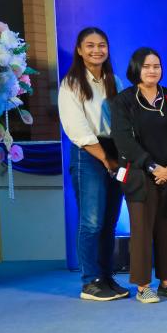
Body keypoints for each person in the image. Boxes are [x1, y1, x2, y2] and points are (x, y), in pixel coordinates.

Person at [110, 48, 167, 304]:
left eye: (156, 66)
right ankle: (143, 286)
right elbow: (124, 141)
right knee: (142, 231)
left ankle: (166, 282)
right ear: (136, 69)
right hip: (139, 175)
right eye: (146, 66)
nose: (152, 70)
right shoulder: (124, 101)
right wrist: (153, 167)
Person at [58, 27, 128, 301]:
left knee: (110, 222)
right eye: (90, 45)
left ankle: (106, 277)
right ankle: (90, 281)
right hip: (88, 153)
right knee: (92, 222)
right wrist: (106, 160)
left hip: (115, 152)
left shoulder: (114, 81)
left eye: (101, 45)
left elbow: (123, 121)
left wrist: (119, 158)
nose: (96, 50)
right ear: (79, 50)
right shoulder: (71, 84)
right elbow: (78, 130)